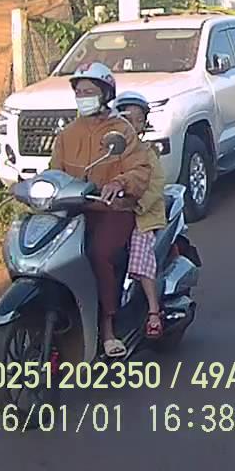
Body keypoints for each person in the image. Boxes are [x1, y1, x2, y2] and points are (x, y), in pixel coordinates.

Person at [49, 62, 152, 357]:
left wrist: (119, 183)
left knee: (99, 254)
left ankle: (108, 327)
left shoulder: (122, 131)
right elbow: (54, 172)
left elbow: (140, 170)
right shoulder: (67, 134)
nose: (83, 97)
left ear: (106, 94)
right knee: (53, 258)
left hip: (113, 210)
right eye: (79, 92)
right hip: (74, 211)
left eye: (89, 91)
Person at [113, 91, 165, 340]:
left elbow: (155, 186)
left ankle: (154, 311)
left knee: (139, 249)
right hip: (112, 211)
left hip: (142, 216)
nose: (132, 125)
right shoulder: (110, 151)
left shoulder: (147, 153)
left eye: (138, 119)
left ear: (144, 124)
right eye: (126, 119)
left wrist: (136, 205)